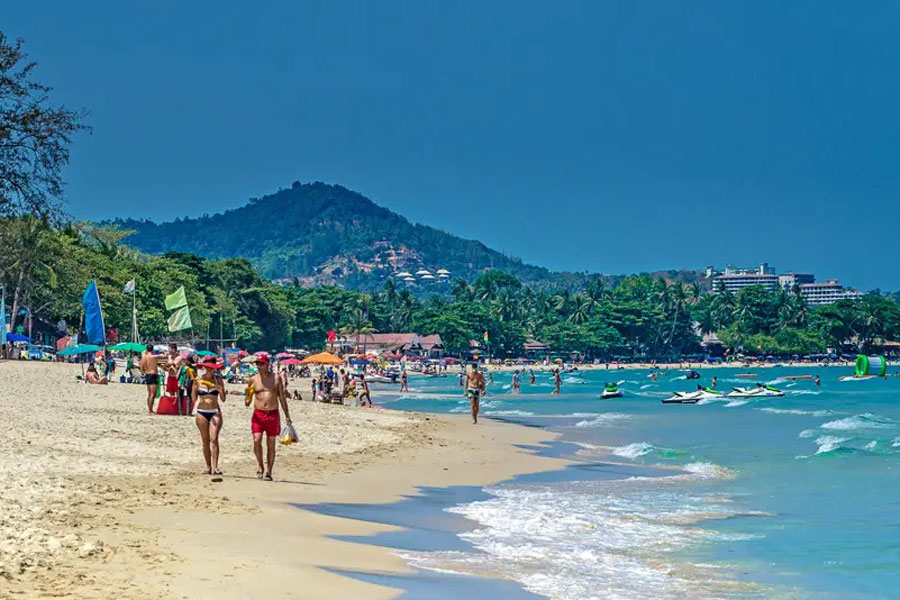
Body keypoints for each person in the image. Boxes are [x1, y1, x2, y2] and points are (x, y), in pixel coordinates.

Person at [245, 353, 292, 481]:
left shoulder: (276, 379)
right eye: (257, 364)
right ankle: (260, 466)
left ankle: (269, 471)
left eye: (261, 364)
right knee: (256, 440)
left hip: (272, 414)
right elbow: (247, 403)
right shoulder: (253, 379)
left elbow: (281, 398)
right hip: (258, 414)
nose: (259, 366)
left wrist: (287, 415)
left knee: (271, 444)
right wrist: (248, 395)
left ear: (267, 365)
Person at [193, 361, 225, 476]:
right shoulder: (198, 379)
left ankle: (215, 466)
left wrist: (220, 390)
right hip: (202, 411)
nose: (209, 370)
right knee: (205, 441)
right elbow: (193, 398)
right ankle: (208, 466)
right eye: (207, 367)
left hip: (215, 411)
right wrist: (194, 387)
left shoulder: (218, 380)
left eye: (211, 368)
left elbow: (223, 398)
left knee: (214, 439)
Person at [140, 344, 163, 413]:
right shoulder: (153, 357)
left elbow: (141, 367)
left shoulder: (144, 357)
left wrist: (144, 372)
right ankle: (150, 410)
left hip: (148, 374)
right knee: (153, 394)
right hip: (153, 374)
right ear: (152, 350)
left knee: (150, 393)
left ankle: (150, 409)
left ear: (147, 349)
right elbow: (163, 356)